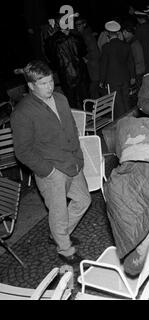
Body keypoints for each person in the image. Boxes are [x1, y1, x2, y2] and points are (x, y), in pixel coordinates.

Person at [10, 60, 91, 265]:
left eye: (50, 81)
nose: (50, 86)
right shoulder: (22, 112)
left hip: (72, 162)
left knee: (83, 201)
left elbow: (72, 127)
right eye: (44, 83)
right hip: (51, 170)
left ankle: (59, 234)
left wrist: (79, 156)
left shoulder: (61, 99)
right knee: (59, 211)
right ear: (31, 86)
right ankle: (65, 249)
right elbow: (22, 151)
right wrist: (49, 171)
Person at [99, 20, 136, 119]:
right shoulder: (126, 45)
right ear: (117, 32)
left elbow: (104, 65)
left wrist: (102, 81)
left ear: (108, 34)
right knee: (126, 100)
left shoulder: (106, 47)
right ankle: (130, 121)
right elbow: (131, 62)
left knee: (117, 103)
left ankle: (121, 124)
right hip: (125, 78)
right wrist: (132, 76)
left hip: (112, 80)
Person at [75, 17, 101, 99]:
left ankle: (100, 110)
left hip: (94, 67)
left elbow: (96, 53)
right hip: (92, 68)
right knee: (95, 90)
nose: (77, 26)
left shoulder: (87, 36)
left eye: (79, 24)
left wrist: (87, 60)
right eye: (76, 25)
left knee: (94, 91)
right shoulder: (84, 34)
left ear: (84, 24)